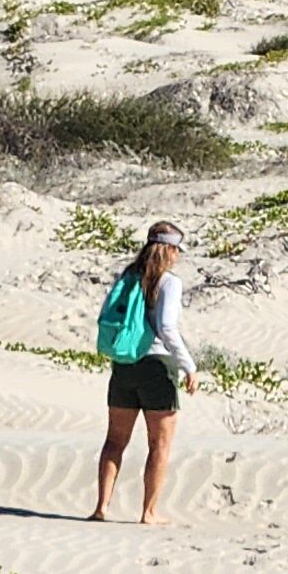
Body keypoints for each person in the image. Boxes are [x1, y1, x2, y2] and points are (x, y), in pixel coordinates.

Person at [91, 220, 203, 523]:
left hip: (125, 363)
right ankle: (149, 512)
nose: (178, 255)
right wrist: (188, 365)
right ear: (169, 250)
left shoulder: (128, 276)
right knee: (159, 444)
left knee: (114, 441)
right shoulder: (169, 282)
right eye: (177, 250)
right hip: (157, 365)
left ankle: (102, 507)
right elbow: (166, 326)